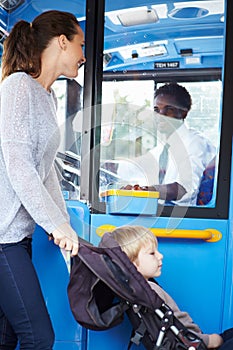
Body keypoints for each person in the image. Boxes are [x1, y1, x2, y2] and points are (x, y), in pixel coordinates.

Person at [0, 10, 85, 349]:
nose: (82, 55)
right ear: (62, 42)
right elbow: (19, 166)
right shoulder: (18, 87)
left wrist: (60, 224)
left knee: (6, 338)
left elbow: (44, 169)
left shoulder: (46, 95)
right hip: (3, 239)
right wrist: (55, 223)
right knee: (39, 337)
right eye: (80, 45)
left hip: (17, 238)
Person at [108, 225, 225, 349]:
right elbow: (179, 330)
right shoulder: (150, 291)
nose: (160, 256)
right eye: (152, 253)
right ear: (130, 262)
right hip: (195, 342)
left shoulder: (137, 290)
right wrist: (210, 340)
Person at [121, 83, 216, 205]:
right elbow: (136, 167)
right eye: (156, 110)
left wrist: (148, 190)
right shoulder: (162, 147)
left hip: (186, 218)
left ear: (183, 113)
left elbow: (185, 189)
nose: (160, 115)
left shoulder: (195, 143)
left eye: (169, 109)